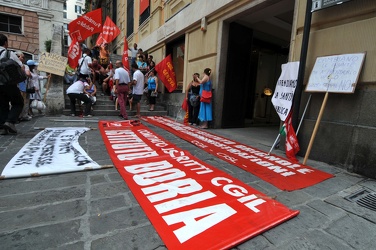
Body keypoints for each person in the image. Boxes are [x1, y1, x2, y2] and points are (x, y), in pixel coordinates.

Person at [0, 34, 25, 135]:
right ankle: (10, 121)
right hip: (8, 83)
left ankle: (2, 127)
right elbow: (21, 67)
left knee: (2, 105)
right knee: (18, 102)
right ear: (5, 43)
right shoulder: (8, 53)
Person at [15, 51, 32, 121]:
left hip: (14, 85)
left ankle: (17, 116)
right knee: (25, 101)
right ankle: (23, 115)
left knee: (15, 102)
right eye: (22, 57)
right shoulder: (25, 66)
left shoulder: (12, 65)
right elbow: (28, 74)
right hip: (22, 86)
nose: (23, 59)